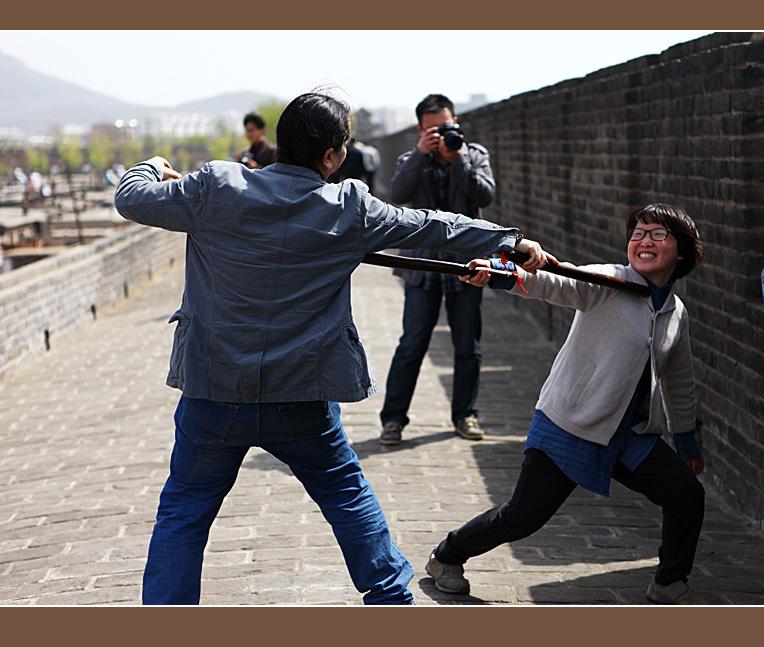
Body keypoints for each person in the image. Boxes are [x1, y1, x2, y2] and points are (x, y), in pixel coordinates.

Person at [113, 92, 548, 606]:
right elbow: (431, 224)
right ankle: (391, 600)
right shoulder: (348, 208)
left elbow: (131, 197)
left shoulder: (216, 185)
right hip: (301, 392)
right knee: (346, 496)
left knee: (184, 511)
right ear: (330, 156)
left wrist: (153, 165)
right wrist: (506, 241)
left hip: (214, 389)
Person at [425, 204, 707, 605]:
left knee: (686, 496)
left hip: (628, 435)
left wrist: (687, 439)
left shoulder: (675, 313)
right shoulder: (608, 281)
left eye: (658, 234)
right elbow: (554, 281)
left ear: (681, 252)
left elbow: (679, 380)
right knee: (522, 517)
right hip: (569, 424)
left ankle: (669, 582)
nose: (644, 241)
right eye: (637, 233)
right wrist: (502, 273)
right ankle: (447, 555)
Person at [379, 93, 496, 446]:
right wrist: (420, 154)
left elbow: (485, 196)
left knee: (467, 345)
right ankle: (393, 419)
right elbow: (397, 193)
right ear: (420, 130)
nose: (441, 134)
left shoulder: (474, 155)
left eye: (446, 127)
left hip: (466, 262)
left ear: (455, 122)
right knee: (412, 343)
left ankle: (465, 415)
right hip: (422, 264)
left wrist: (457, 161)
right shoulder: (410, 159)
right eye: (432, 130)